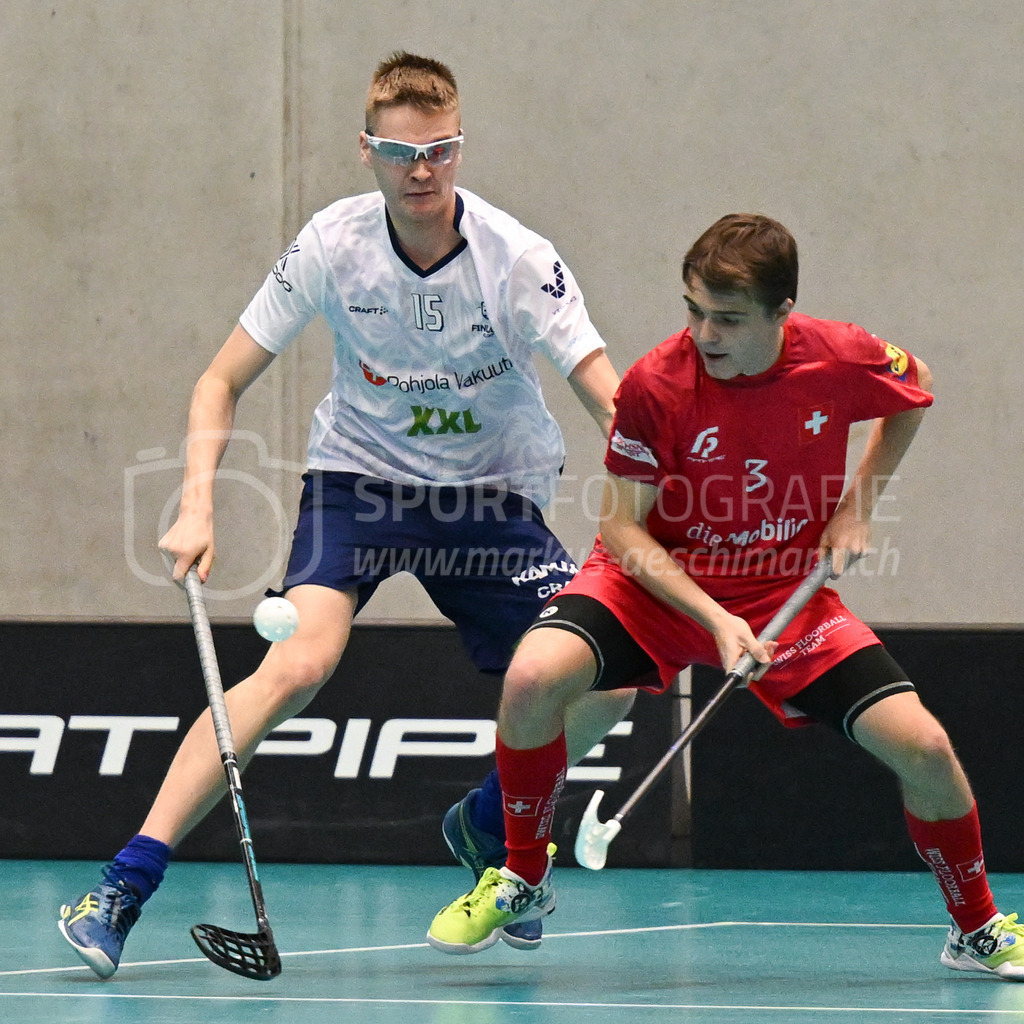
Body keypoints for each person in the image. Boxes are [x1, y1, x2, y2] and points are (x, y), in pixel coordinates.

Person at [58, 51, 635, 978]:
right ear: (366, 151)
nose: (422, 171)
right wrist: (197, 501)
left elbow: (610, 397)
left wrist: (666, 490)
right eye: (402, 153)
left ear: (459, 147)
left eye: (440, 151)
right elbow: (222, 377)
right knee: (299, 663)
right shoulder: (332, 245)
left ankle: (489, 822)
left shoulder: (519, 260)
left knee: (610, 680)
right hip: (359, 483)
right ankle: (123, 884)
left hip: (490, 496)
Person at [427, 213, 1024, 982]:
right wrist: (714, 619)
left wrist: (858, 502)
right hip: (652, 583)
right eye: (694, 309)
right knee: (535, 676)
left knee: (928, 751)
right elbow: (623, 530)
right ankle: (521, 876)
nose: (705, 332)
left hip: (785, 593)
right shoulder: (655, 383)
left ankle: (975, 928)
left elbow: (916, 390)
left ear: (782, 315)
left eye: (729, 318)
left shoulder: (840, 355)